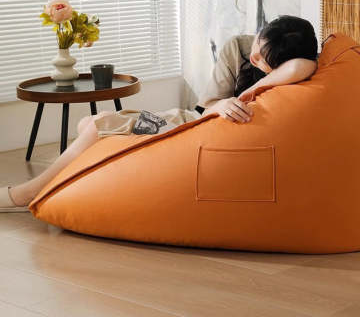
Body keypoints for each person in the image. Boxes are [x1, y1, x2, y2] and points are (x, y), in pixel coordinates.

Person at [0, 15, 319, 211]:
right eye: (258, 44)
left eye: (262, 59)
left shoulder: (295, 64)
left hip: (191, 130)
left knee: (98, 127)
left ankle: (26, 194)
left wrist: (247, 92)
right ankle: (64, 185)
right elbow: (207, 105)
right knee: (90, 123)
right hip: (189, 120)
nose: (254, 56)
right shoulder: (239, 46)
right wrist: (225, 103)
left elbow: (303, 65)